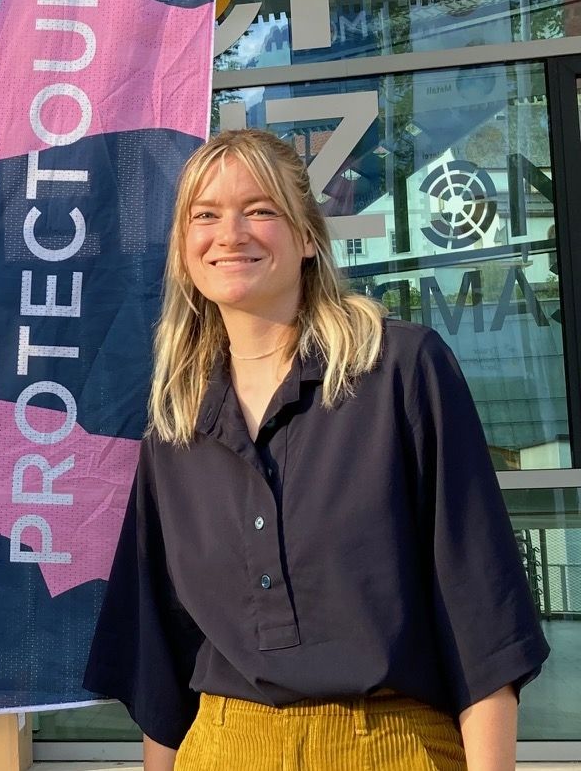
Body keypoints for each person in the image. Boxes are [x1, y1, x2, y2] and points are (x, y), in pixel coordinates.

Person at [84, 128, 549, 771]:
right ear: (184, 250)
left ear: (307, 236)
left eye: (259, 210)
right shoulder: (176, 421)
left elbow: (483, 618)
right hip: (220, 747)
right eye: (205, 215)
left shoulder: (401, 370)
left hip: (389, 746)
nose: (230, 234)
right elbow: (161, 657)